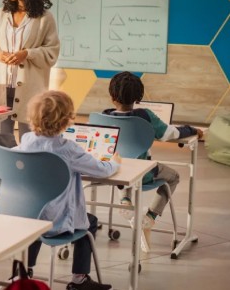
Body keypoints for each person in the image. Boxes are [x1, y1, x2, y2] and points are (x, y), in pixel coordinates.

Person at [16, 90, 120, 290]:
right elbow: (102, 170)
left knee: (36, 222)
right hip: (58, 223)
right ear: (66, 120)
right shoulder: (68, 149)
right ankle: (79, 279)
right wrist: (114, 162)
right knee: (90, 222)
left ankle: (25, 270)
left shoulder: (27, 140)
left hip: (27, 217)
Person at [103, 71, 202, 251]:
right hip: (143, 174)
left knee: (124, 167)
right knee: (173, 176)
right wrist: (193, 129)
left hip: (113, 171)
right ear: (139, 97)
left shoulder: (105, 116)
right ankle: (150, 216)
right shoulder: (145, 116)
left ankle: (125, 199)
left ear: (111, 97)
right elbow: (171, 134)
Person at [0, 0, 60, 140]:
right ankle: (5, 167)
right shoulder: (2, 14)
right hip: (2, 83)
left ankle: (27, 167)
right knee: (3, 138)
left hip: (30, 86)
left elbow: (52, 52)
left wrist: (27, 54)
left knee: (30, 138)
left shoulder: (44, 17)